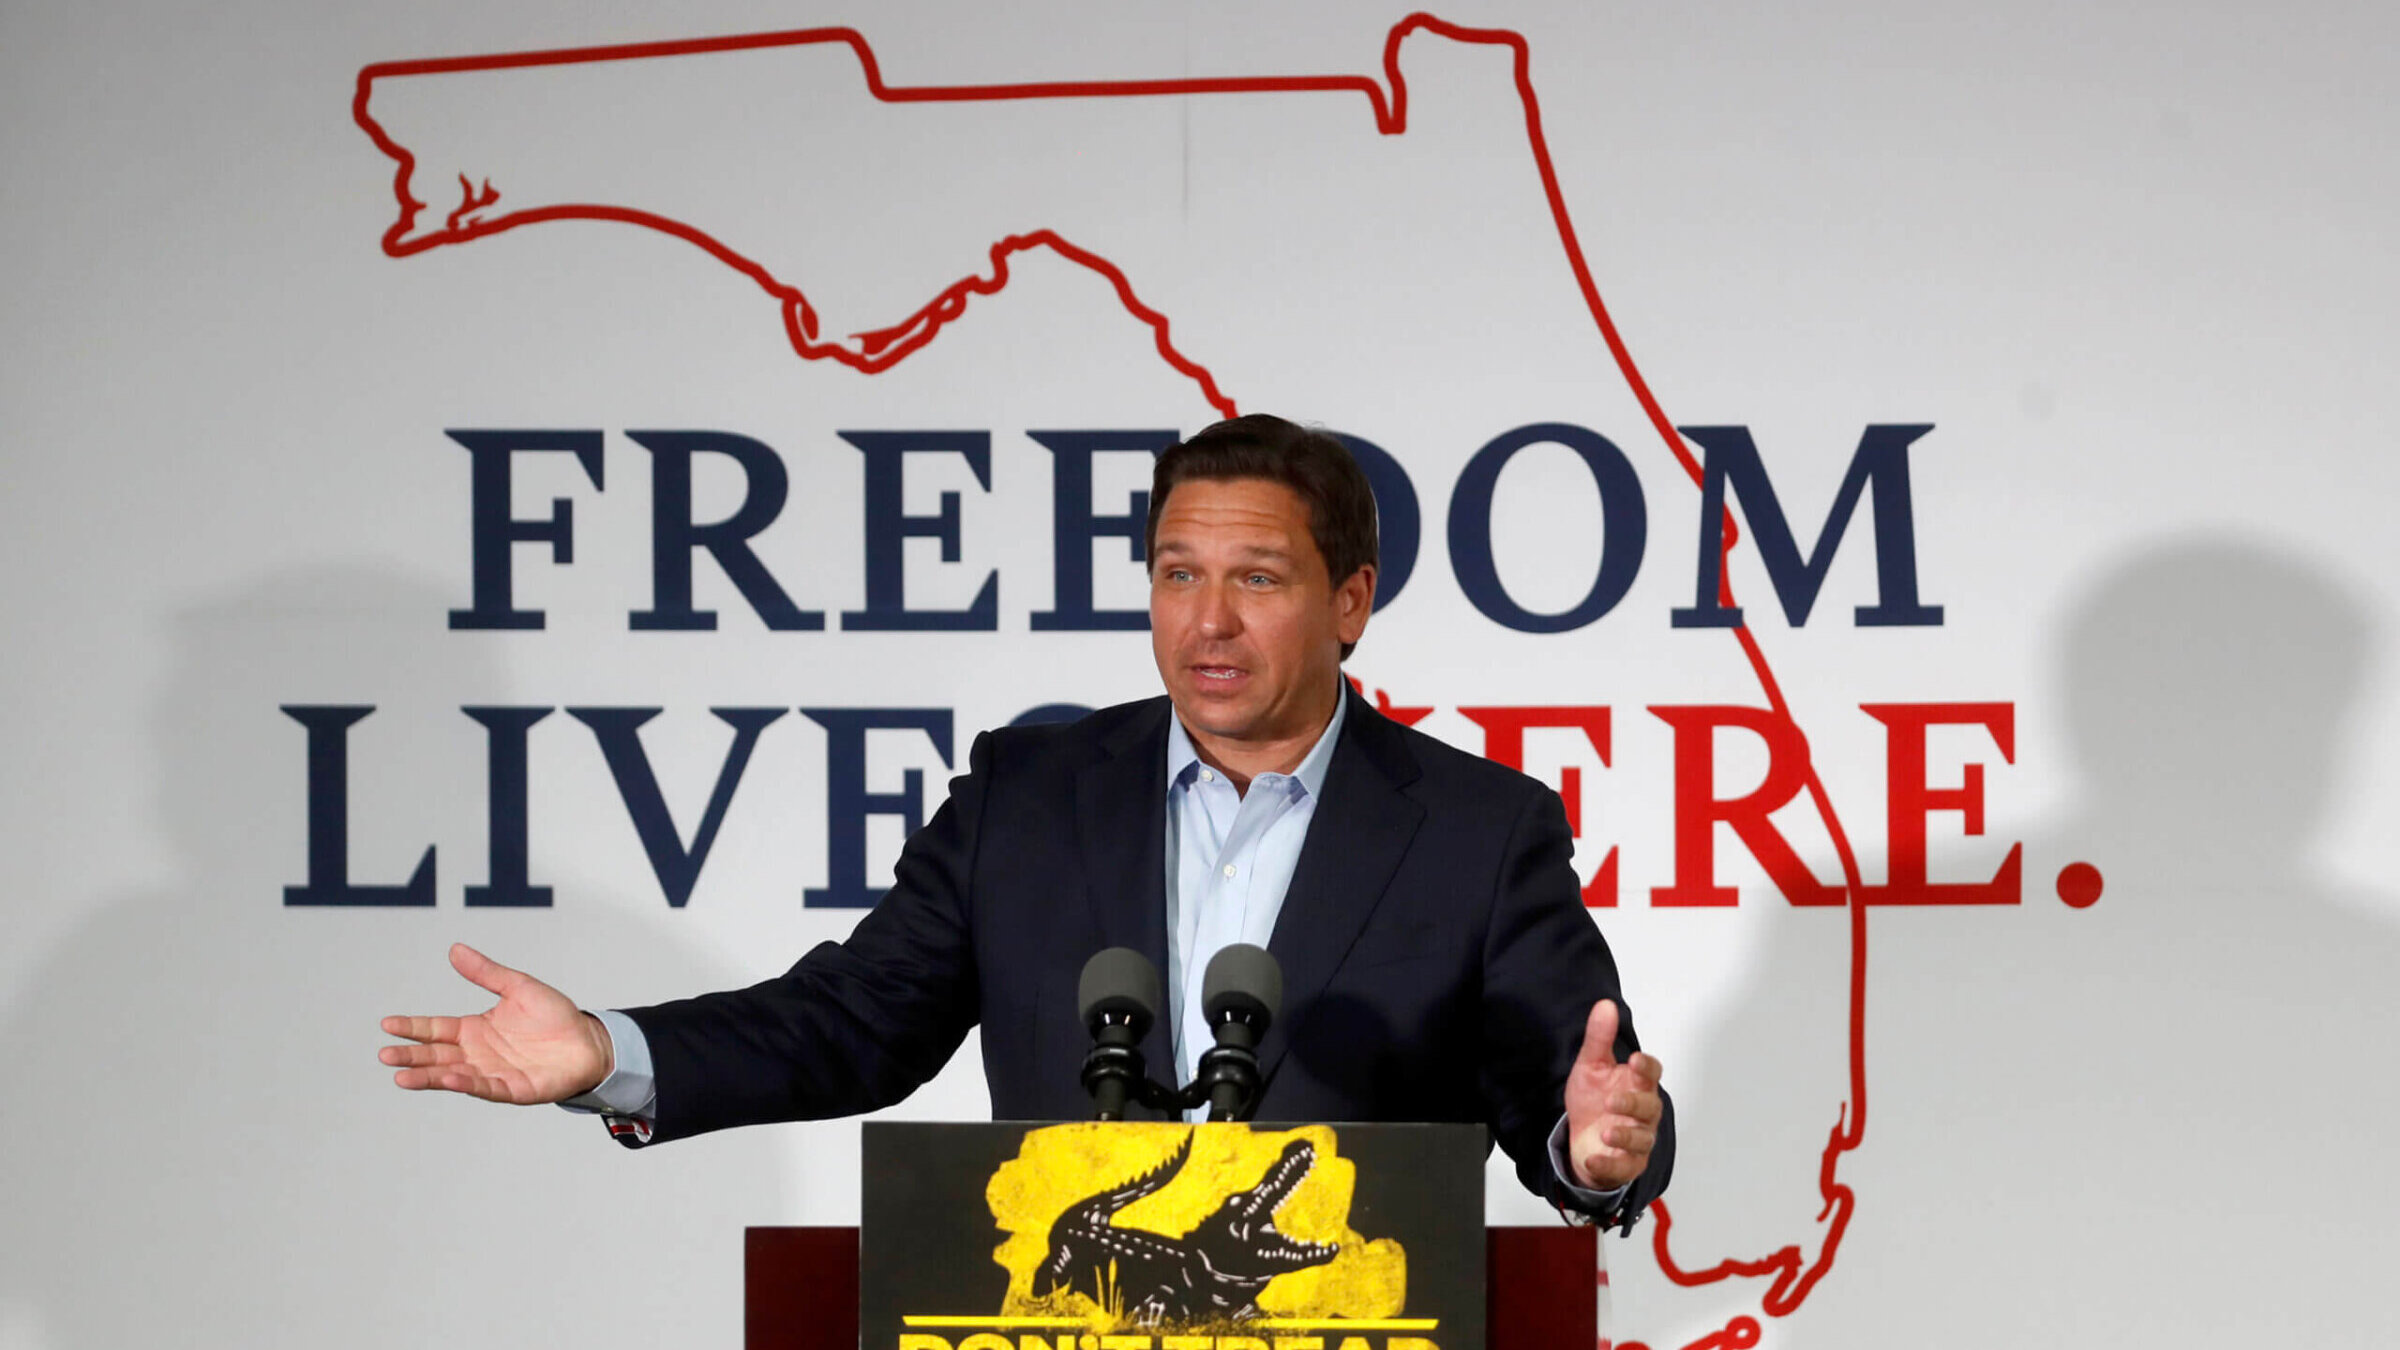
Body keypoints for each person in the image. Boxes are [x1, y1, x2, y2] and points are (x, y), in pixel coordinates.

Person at [381, 414, 1672, 1227]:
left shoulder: (1473, 825)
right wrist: (612, 1050)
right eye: (1177, 573)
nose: (1205, 621)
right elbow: (857, 1019)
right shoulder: (1031, 794)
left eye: (1257, 580)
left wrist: (1595, 1150)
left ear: (1350, 602)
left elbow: (1567, 1095)